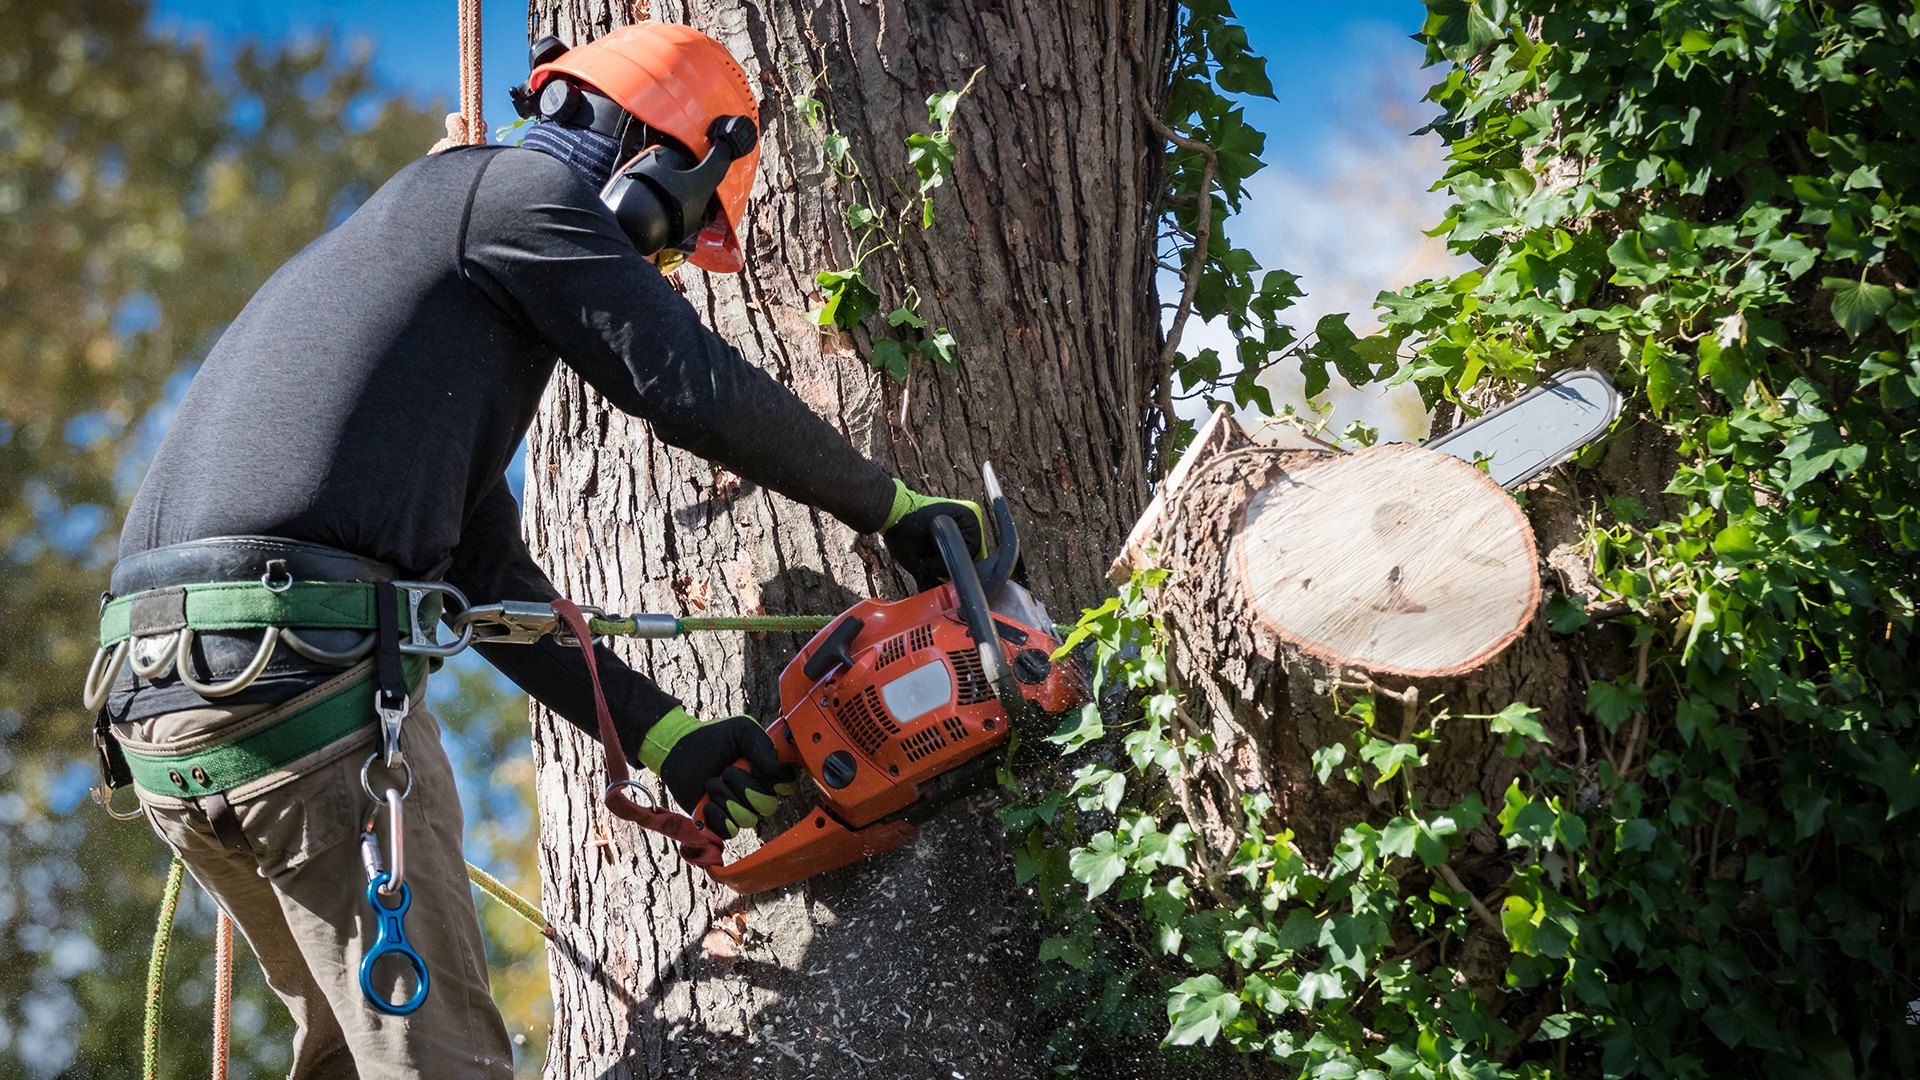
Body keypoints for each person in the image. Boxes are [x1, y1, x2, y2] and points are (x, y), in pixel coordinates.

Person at [88, 23, 980, 1078]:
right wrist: (892, 506)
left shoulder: (426, 267)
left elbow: (482, 581)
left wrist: (669, 740)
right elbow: (690, 387)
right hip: (300, 699)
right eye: (668, 239)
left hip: (169, 717)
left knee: (350, 1061)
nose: (656, 268)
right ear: (656, 166)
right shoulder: (515, 200)